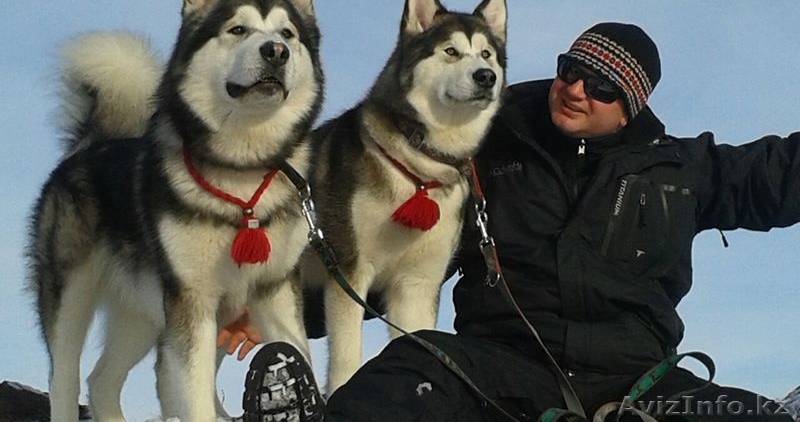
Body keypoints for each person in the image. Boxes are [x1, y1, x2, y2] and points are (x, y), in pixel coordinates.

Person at [232, 22, 799, 422]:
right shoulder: (483, 154)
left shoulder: (682, 170)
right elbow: (399, 260)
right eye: (571, 70)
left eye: (601, 86)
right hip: (501, 365)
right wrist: (287, 315)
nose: (576, 89)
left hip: (641, 379)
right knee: (413, 370)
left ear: (629, 108)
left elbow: (778, 177)